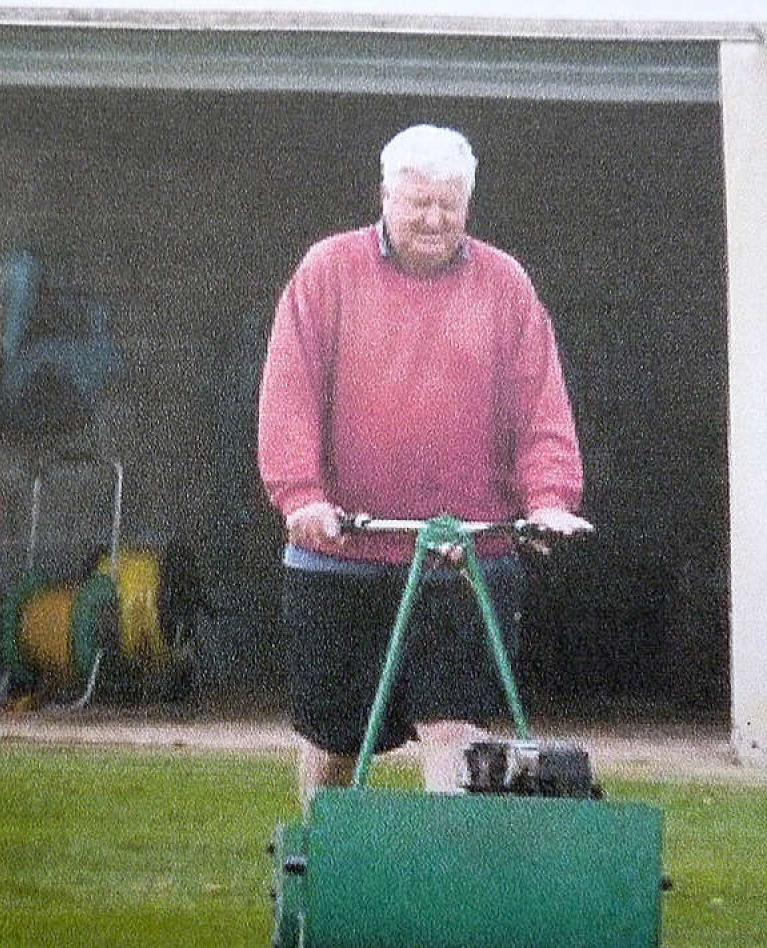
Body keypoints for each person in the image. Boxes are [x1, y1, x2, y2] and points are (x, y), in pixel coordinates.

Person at [257, 124, 592, 806]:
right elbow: (289, 393)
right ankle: (325, 866)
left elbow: (540, 406)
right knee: (336, 734)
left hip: (466, 554)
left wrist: (551, 497)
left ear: (468, 203)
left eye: (450, 204)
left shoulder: (504, 284)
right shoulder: (328, 271)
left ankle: (446, 883)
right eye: (419, 204)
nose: (435, 219)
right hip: (341, 551)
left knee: (455, 728)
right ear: (386, 197)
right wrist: (301, 497)